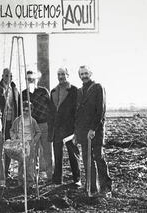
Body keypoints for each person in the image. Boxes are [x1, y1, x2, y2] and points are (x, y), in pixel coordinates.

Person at [74, 65, 112, 197]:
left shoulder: (97, 88)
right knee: (86, 159)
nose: (84, 76)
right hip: (83, 132)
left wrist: (93, 129)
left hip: (95, 130)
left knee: (98, 157)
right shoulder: (79, 91)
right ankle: (91, 186)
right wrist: (77, 132)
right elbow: (78, 113)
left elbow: (100, 110)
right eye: (81, 74)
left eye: (86, 73)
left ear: (90, 73)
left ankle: (105, 186)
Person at [48, 67, 81, 187]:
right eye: (58, 74)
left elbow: (78, 110)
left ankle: (77, 179)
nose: (61, 76)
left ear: (67, 75)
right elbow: (51, 111)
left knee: (73, 153)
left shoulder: (74, 90)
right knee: (57, 154)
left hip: (70, 128)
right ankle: (57, 179)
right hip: (57, 128)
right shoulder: (53, 91)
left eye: (63, 74)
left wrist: (76, 128)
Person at [21, 70, 53, 181]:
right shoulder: (24, 94)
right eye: (28, 79)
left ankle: (50, 176)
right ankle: (33, 177)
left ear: (36, 80)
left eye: (32, 79)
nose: (30, 81)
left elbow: (51, 108)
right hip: (31, 126)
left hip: (44, 125)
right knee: (32, 153)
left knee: (47, 152)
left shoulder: (43, 91)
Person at [4, 101, 41, 188]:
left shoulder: (33, 121)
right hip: (20, 144)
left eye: (27, 110)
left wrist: (34, 141)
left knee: (29, 164)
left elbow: (38, 132)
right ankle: (20, 182)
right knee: (21, 164)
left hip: (29, 144)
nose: (25, 112)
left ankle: (30, 182)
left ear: (31, 111)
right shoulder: (17, 120)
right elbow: (12, 130)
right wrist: (13, 138)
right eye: (23, 110)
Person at [0, 68, 20, 180]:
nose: (8, 78)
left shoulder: (14, 89)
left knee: (9, 147)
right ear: (2, 76)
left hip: (11, 122)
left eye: (10, 76)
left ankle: (6, 172)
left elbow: (17, 105)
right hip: (0, 122)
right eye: (6, 75)